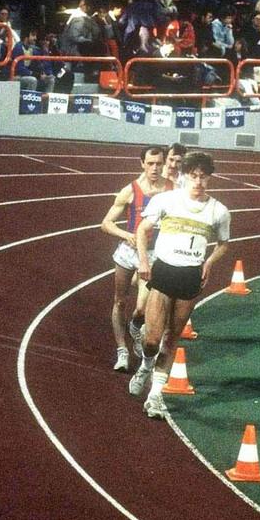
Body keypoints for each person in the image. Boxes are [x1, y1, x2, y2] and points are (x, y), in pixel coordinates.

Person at [129, 151, 231, 419]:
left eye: (203, 177)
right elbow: (142, 230)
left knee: (172, 338)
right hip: (163, 273)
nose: (198, 181)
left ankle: (155, 396)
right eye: (193, 176)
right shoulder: (166, 200)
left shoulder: (219, 211)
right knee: (151, 340)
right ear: (185, 175)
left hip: (190, 277)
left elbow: (223, 245)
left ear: (209, 178)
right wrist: (143, 261)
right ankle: (145, 366)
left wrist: (208, 264)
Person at [101, 146, 173, 372]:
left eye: (158, 163)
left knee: (142, 307)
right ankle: (122, 351)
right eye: (150, 163)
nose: (154, 168)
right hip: (127, 252)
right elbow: (106, 224)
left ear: (164, 164)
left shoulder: (172, 190)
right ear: (142, 163)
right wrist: (126, 235)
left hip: (153, 255)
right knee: (120, 301)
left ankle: (135, 326)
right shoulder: (130, 190)